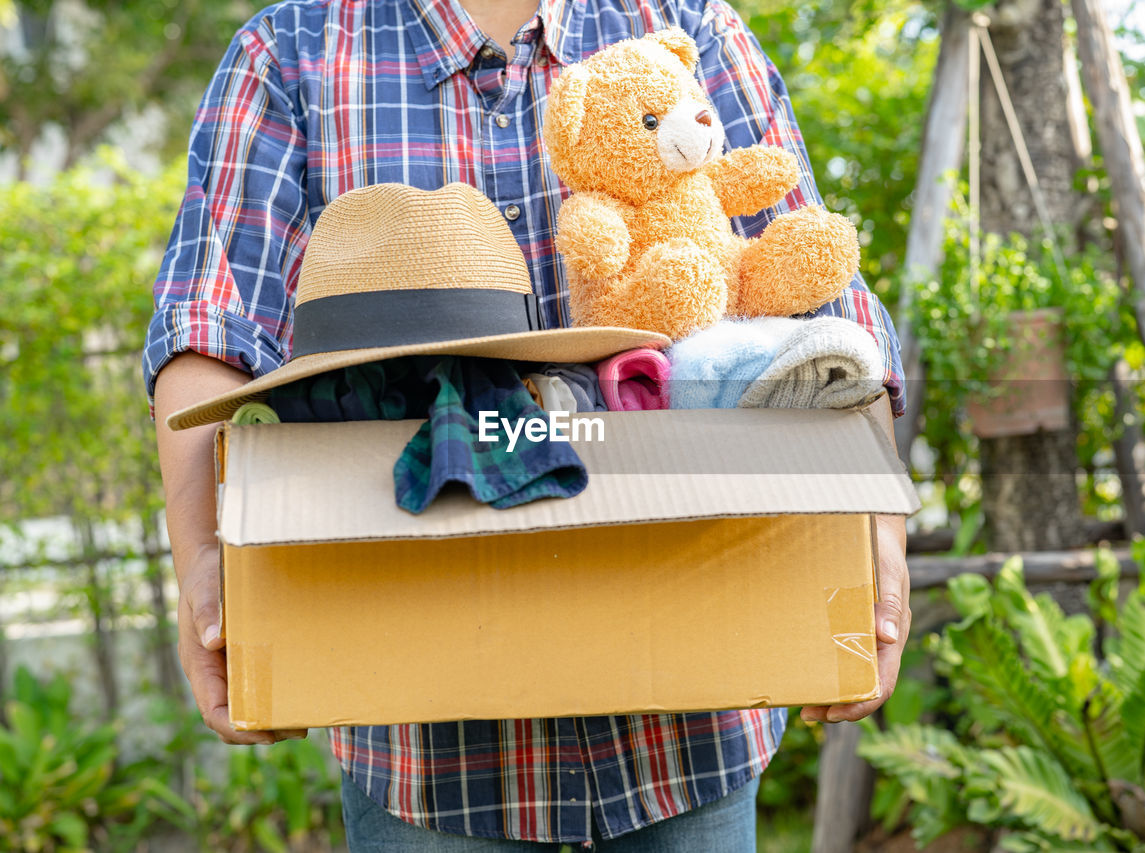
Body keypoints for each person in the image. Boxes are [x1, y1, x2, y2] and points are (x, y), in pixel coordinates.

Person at [146, 0, 912, 848]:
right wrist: (207, 567)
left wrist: (875, 542)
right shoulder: (292, 52)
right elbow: (211, 325)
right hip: (426, 757)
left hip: (691, 734)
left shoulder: (688, 23)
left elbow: (826, 319)